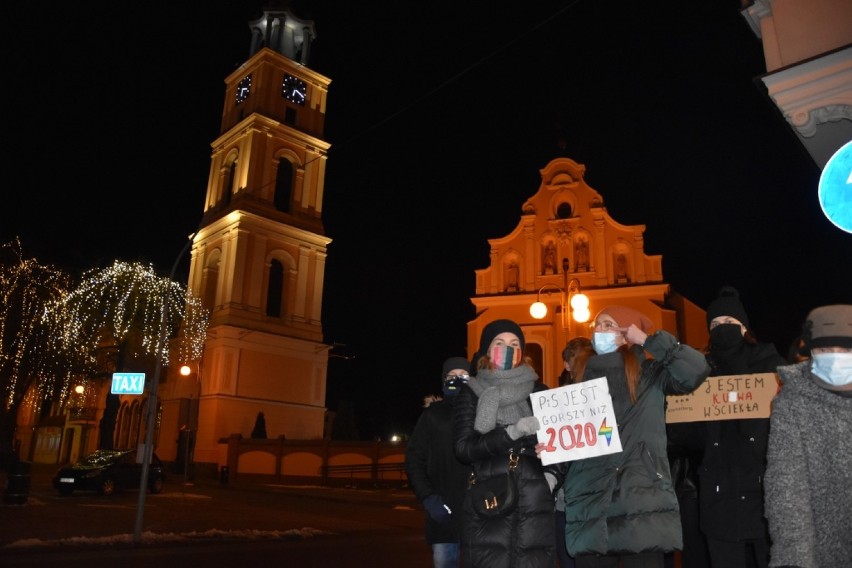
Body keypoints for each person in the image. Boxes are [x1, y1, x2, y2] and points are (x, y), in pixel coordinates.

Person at [559, 305, 710, 568]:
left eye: (609, 325)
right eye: (597, 325)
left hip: (641, 502)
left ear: (627, 332)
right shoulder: (582, 378)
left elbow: (695, 370)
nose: (600, 331)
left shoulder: (651, 373)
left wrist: (649, 340)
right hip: (593, 503)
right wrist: (554, 444)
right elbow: (575, 438)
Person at [691, 286, 786, 568]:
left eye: (729, 324)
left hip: (766, 496)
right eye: (716, 324)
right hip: (719, 496)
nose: (722, 329)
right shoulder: (700, 373)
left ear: (744, 328)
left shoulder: (771, 367)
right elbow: (691, 436)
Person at [454, 318, 559, 568]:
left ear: (522, 352)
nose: (507, 348)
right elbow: (464, 448)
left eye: (514, 343)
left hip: (534, 501)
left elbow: (561, 442)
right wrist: (510, 433)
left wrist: (551, 475)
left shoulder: (540, 391)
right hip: (490, 498)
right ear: (487, 351)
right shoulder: (471, 392)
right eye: (499, 343)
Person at [764, 304, 852, 568]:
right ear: (810, 351)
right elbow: (787, 489)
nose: (835, 357)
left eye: (845, 349)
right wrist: (794, 560)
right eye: (825, 349)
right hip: (822, 551)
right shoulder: (792, 402)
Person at [406, 356, 473, 567]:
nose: (458, 380)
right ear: (444, 380)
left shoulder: (481, 412)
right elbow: (414, 458)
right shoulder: (433, 415)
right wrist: (428, 498)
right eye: (452, 376)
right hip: (444, 516)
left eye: (463, 376)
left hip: (477, 515)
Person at [554, 337, 594, 568]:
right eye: (575, 361)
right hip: (566, 500)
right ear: (567, 365)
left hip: (594, 498)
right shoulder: (557, 401)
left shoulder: (610, 396)